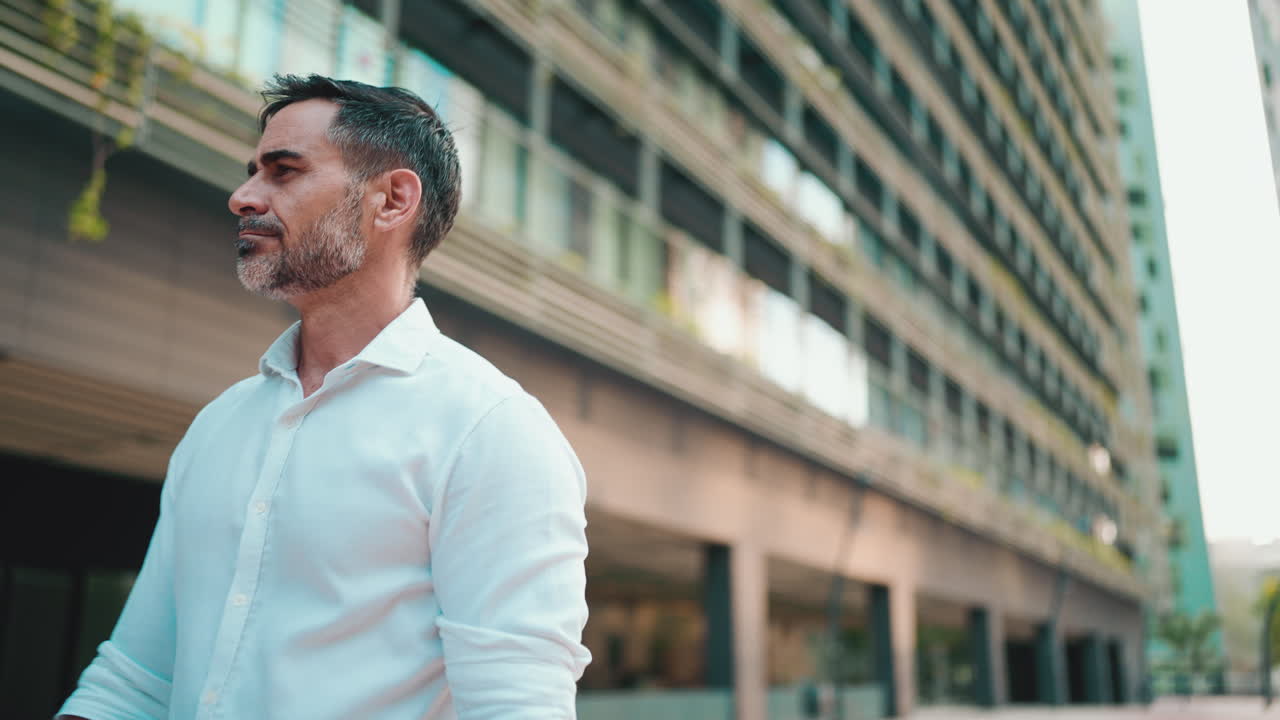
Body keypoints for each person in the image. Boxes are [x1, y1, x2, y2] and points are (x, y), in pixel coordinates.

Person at [57, 74, 591, 719]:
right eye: (252, 173)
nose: (242, 197)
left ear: (392, 200)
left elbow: (515, 704)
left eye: (283, 171)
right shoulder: (220, 423)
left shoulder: (488, 429)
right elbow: (134, 681)